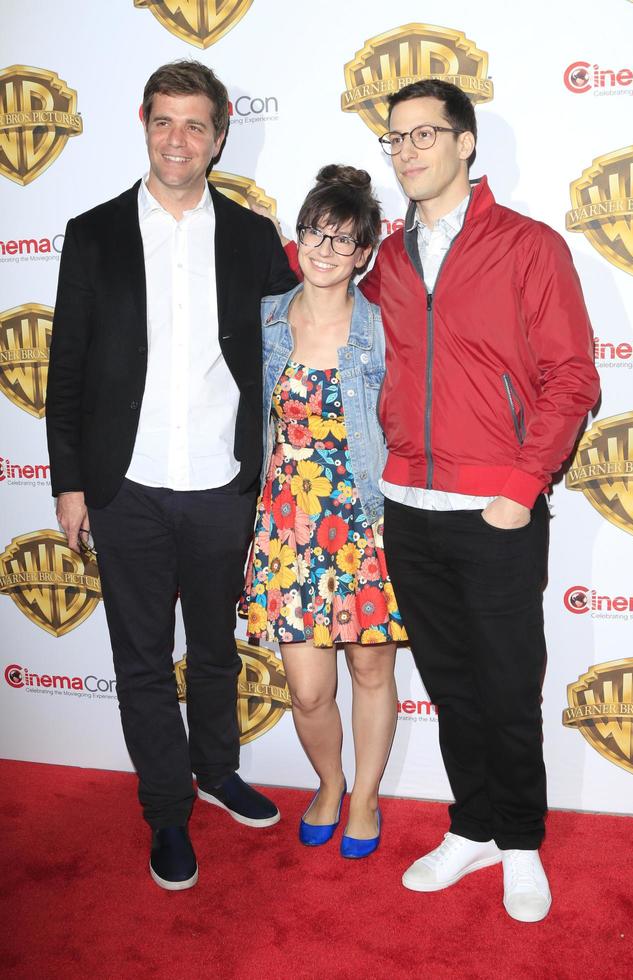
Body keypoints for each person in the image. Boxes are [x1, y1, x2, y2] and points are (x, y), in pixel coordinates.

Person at [45, 60, 297, 891]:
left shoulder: (255, 238)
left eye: (196, 124)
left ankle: (215, 771)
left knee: (217, 650)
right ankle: (166, 811)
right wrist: (70, 483)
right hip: (128, 489)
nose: (179, 139)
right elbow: (68, 371)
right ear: (143, 123)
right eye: (165, 122)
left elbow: (283, 355)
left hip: (225, 485)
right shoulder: (94, 233)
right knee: (144, 661)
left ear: (221, 131)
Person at [357, 80, 600, 919]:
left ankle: (522, 842)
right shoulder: (386, 258)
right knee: (454, 687)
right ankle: (474, 827)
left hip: (494, 511)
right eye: (395, 139)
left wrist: (520, 489)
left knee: (504, 687)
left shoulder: (528, 245)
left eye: (426, 134)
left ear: (466, 143)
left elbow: (572, 379)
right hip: (407, 508)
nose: (408, 151)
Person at [239, 165, 406, 858]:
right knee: (308, 690)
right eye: (316, 232)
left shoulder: (382, 328)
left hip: (366, 526)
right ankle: (330, 782)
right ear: (297, 235)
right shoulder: (265, 319)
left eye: (345, 240)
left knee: (372, 673)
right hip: (286, 530)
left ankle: (363, 798)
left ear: (366, 253)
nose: (327, 249)